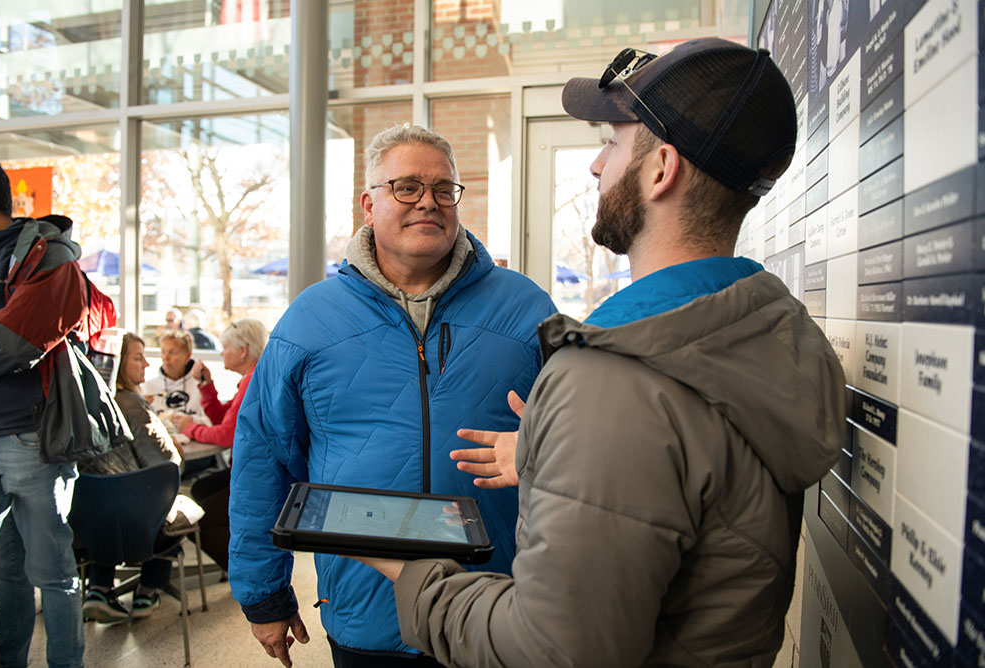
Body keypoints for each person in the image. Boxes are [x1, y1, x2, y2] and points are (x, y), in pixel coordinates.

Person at [356, 39, 848, 666]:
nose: (595, 165)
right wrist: (550, 456)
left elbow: (551, 652)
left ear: (660, 168)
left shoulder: (614, 384)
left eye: (613, 142)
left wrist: (416, 573)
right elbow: (689, 481)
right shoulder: (769, 333)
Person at [229, 124, 556, 667]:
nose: (428, 202)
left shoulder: (525, 308)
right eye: (407, 187)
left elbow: (585, 441)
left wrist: (540, 444)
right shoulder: (310, 320)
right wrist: (263, 593)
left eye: (443, 189)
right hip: (367, 614)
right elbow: (263, 457)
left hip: (497, 608)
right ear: (368, 204)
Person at [0, 155, 88, 667]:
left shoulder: (48, 256)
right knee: (3, 571)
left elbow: (10, 343)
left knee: (52, 573)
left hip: (29, 436)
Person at [79, 332, 183, 623]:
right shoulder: (133, 405)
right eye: (138, 357)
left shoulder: (83, 406)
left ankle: (99, 588)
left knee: (109, 502)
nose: (147, 364)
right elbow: (167, 465)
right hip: (141, 527)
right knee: (172, 512)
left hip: (88, 526)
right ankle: (147, 591)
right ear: (118, 363)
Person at [170, 318, 269, 572]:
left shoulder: (251, 382)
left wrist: (188, 428)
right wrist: (207, 387)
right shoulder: (254, 377)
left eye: (225, 347)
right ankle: (241, 553)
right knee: (202, 488)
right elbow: (226, 419)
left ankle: (244, 569)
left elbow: (226, 435)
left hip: (257, 477)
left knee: (198, 520)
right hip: (254, 471)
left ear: (242, 351)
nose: (221, 352)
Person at [144, 329, 209, 422]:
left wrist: (190, 421)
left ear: (187, 357)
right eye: (163, 351)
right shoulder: (149, 387)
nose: (166, 358)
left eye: (172, 352)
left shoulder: (200, 386)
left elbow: (211, 422)